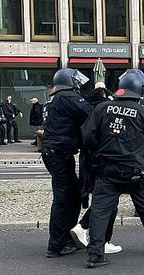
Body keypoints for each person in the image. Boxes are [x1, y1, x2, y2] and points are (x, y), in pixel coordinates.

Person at [80, 71, 144, 268]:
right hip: (134, 169)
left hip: (106, 168)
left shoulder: (101, 108)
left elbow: (88, 136)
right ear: (139, 91)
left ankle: (95, 254)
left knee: (99, 211)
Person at [69, 81, 123, 255]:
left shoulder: (83, 105)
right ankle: (96, 236)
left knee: (101, 198)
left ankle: (87, 230)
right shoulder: (107, 108)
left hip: (86, 157)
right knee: (108, 200)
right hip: (102, 158)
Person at [43, 68, 92, 258]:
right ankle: (56, 245)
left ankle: (67, 238)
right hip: (60, 153)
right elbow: (90, 112)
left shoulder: (53, 99)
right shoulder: (67, 96)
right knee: (63, 199)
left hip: (55, 152)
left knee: (72, 197)